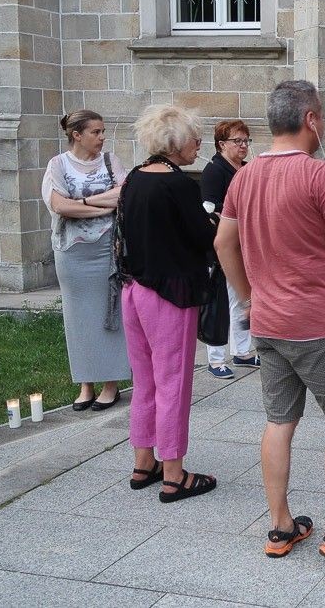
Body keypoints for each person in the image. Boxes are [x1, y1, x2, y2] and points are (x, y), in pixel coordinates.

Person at [215, 80, 325, 561]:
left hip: (269, 322)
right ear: (311, 120)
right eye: (321, 117)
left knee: (279, 421)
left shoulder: (244, 176)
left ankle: (280, 527)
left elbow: (223, 243)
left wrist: (250, 297)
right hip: (318, 322)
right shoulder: (318, 175)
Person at [118, 104, 217, 501]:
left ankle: (144, 462)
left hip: (133, 290)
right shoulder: (179, 185)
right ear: (176, 142)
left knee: (145, 381)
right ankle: (174, 474)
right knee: (172, 382)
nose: (198, 146)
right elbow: (203, 238)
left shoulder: (133, 179)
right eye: (195, 139)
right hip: (169, 294)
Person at [42, 110, 130, 412]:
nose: (102, 137)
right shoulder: (57, 165)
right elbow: (60, 207)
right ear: (77, 135)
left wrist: (82, 202)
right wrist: (102, 206)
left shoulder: (110, 162)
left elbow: (124, 195)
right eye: (96, 132)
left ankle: (111, 384)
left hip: (108, 250)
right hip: (73, 252)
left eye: (102, 131)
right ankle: (86, 383)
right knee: (78, 318)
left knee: (110, 312)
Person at [200, 119, 260, 380]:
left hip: (244, 243)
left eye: (246, 141)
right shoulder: (214, 170)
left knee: (241, 298)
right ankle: (215, 358)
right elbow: (210, 210)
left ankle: (242, 352)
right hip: (222, 246)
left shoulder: (246, 169)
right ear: (222, 144)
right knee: (220, 301)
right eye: (237, 141)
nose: (243, 146)